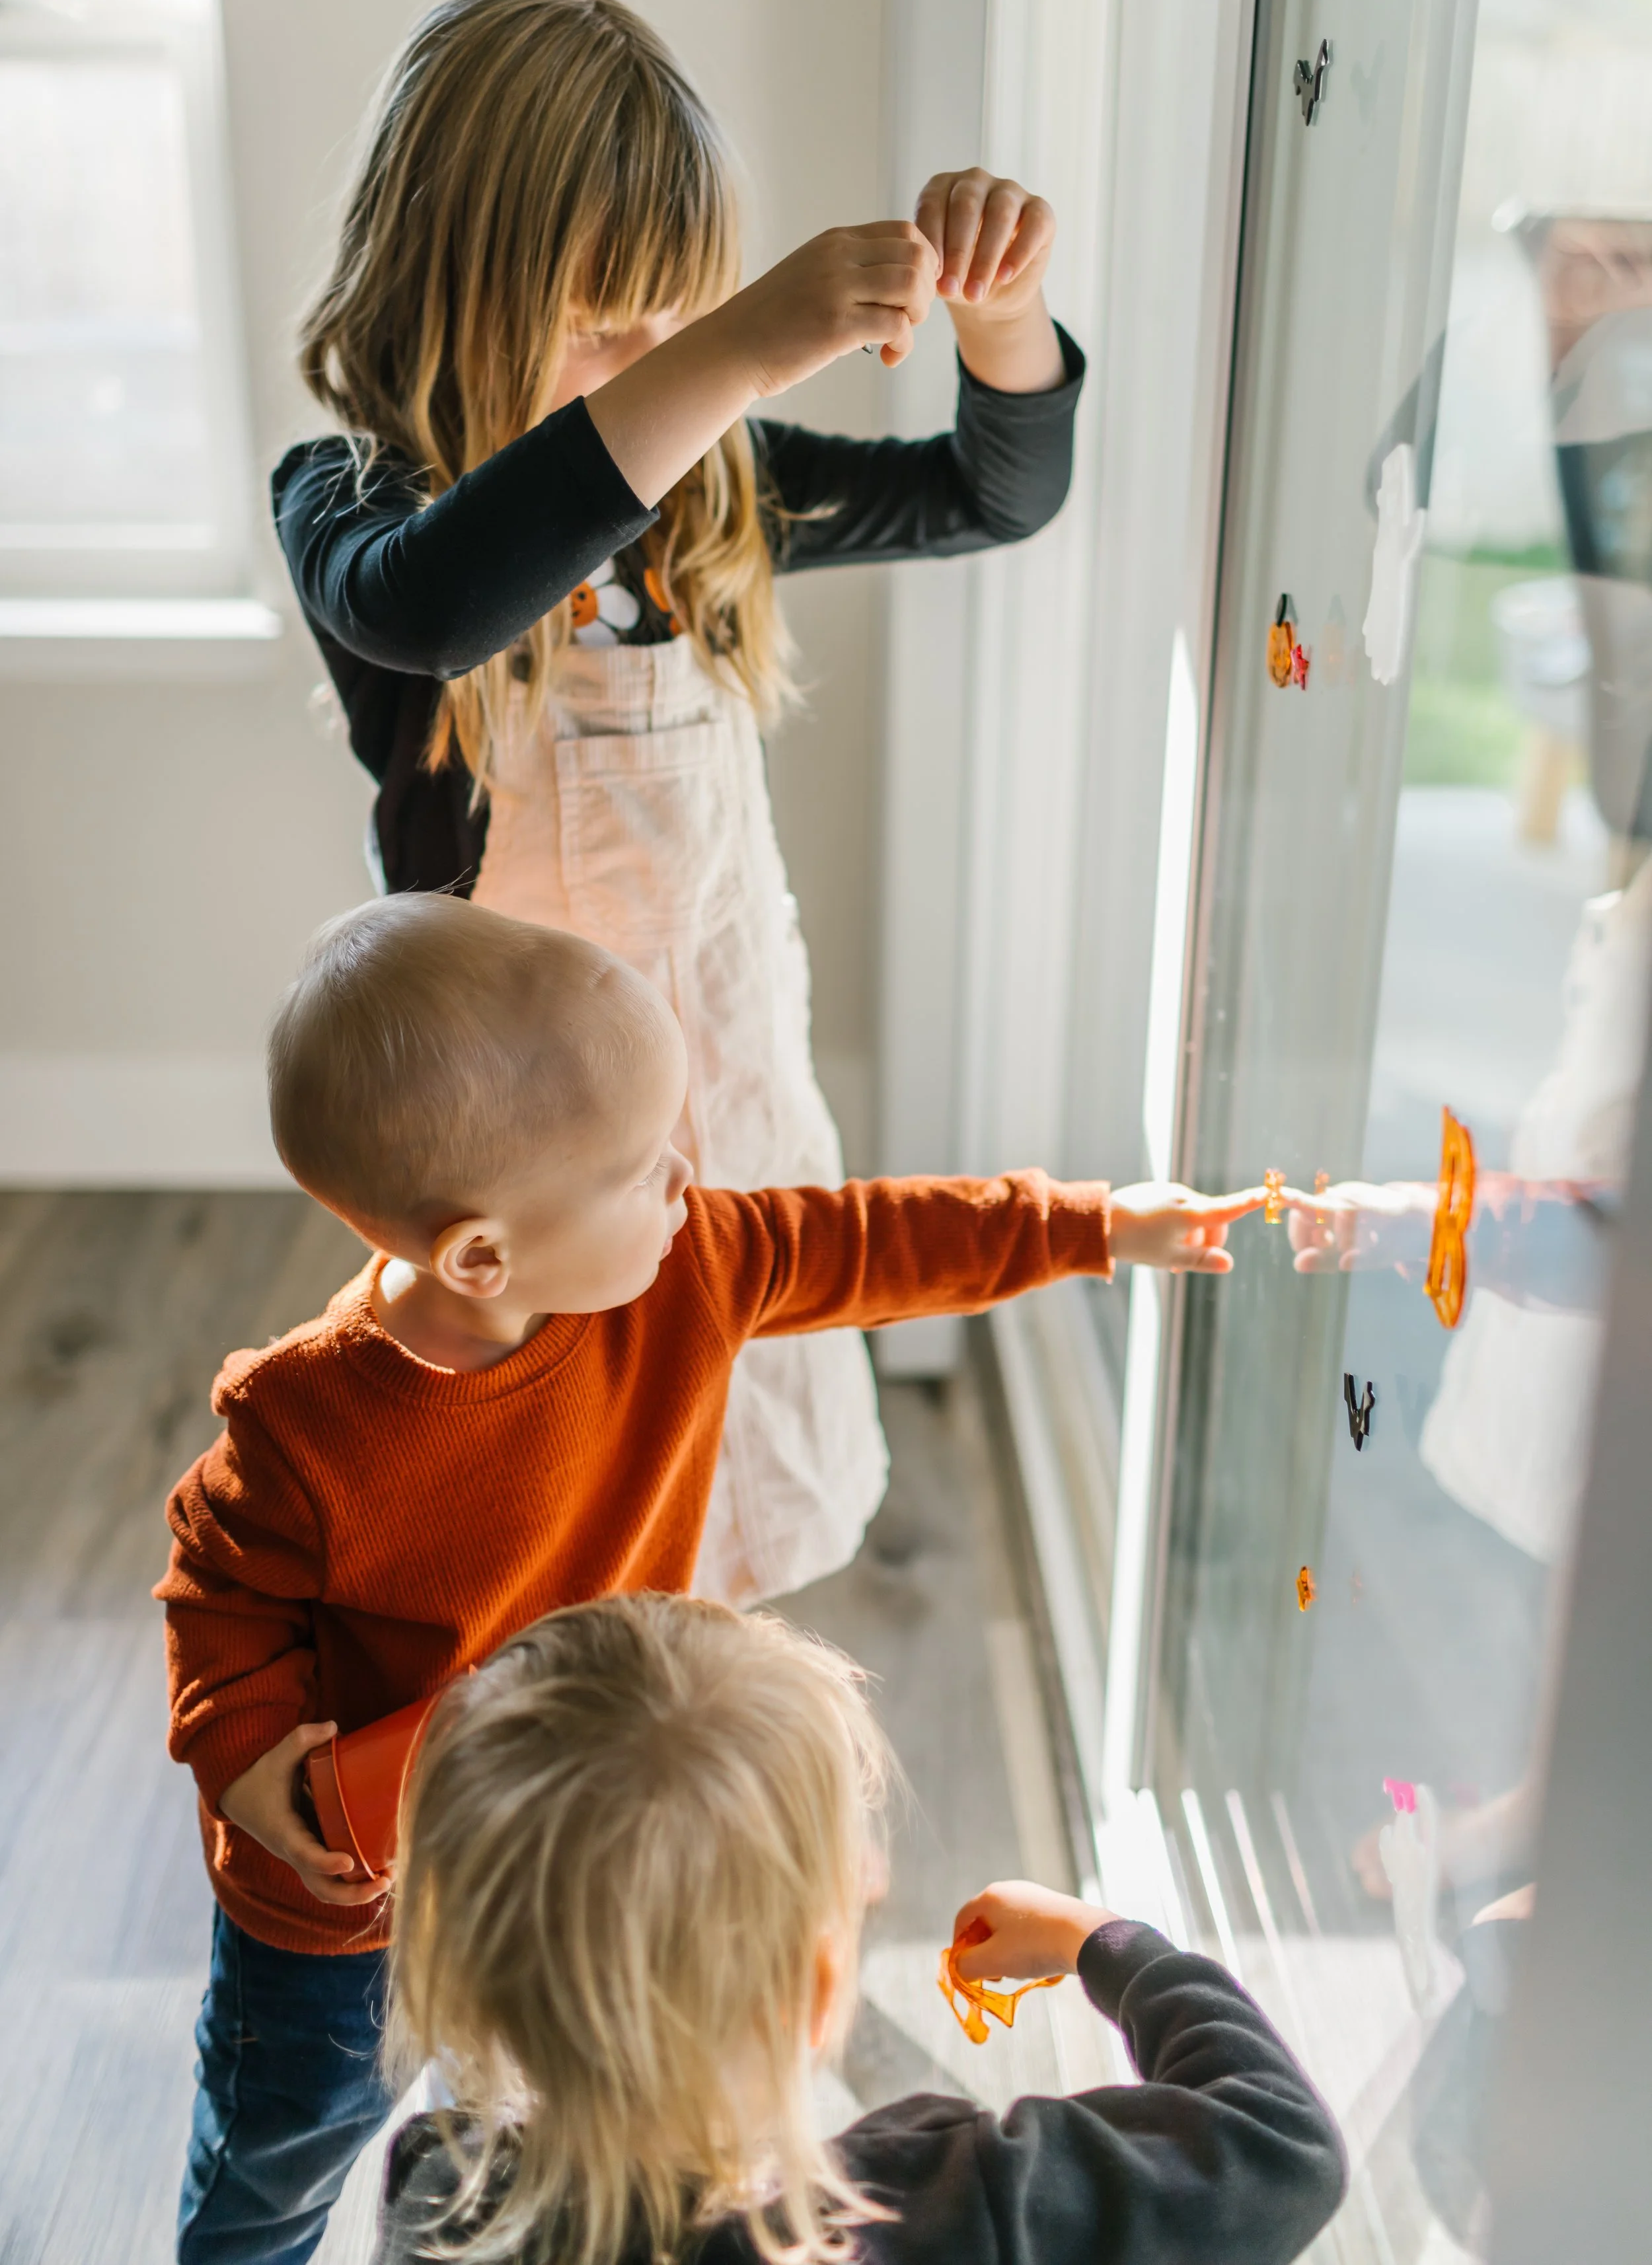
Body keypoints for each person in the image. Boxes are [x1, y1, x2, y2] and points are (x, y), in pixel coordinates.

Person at [158, 892, 1267, 2265]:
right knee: (287, 2144)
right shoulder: (306, 1417)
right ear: (482, 1256)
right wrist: (242, 1745)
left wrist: (1089, 1227)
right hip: (348, 1893)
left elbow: (874, 1241)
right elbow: (216, 1587)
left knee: (548, 2113)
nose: (685, 1181)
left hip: (581, 1843)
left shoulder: (692, 1267)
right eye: (639, 1169)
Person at [274, 0, 1086, 1610]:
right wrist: (733, 346)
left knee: (734, 1502)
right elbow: (438, 604)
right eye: (602, 323)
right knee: (544, 1532)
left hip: (727, 1090)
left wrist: (1001, 313)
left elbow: (989, 495)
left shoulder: (716, 491)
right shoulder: (355, 498)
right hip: (515, 1146)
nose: (650, 366)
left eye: (677, 318)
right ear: (449, 281)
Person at [371, 1592, 1348, 2265]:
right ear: (820, 1986)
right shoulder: (937, 2208)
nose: (876, 1873)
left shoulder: (436, 2195)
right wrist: (1099, 1936)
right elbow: (1281, 2142)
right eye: (855, 1869)